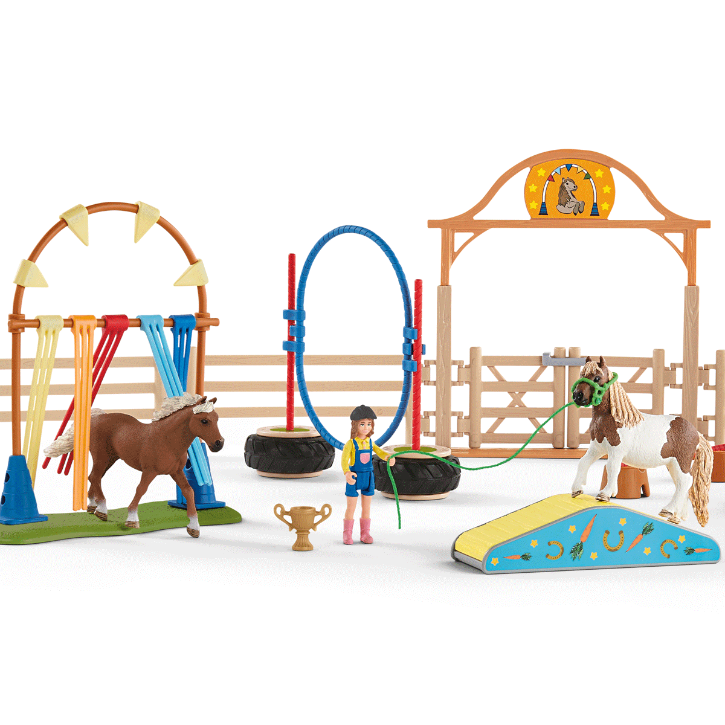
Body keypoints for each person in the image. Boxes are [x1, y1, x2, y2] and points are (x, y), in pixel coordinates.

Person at [341, 404, 394, 545]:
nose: (366, 427)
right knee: (351, 507)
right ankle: (347, 534)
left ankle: (365, 533)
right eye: (362, 424)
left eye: (369, 424)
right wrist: (347, 472)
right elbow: (344, 460)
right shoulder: (351, 443)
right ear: (355, 425)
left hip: (368, 477)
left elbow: (379, 451)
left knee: (367, 507)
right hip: (354, 477)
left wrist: (388, 457)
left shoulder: (370, 442)